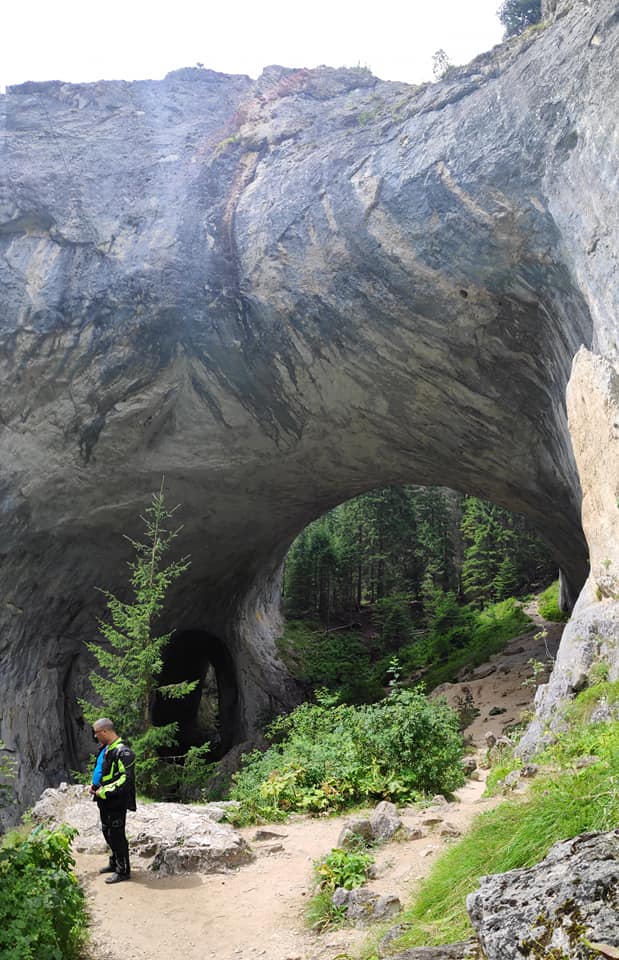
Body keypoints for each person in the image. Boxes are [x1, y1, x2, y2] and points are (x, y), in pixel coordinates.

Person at [89, 718, 136, 884]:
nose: (95, 737)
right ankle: (114, 862)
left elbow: (126, 779)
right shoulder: (106, 749)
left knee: (117, 834)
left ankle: (123, 870)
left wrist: (105, 791)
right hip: (104, 800)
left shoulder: (124, 752)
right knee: (107, 831)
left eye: (96, 733)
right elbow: (102, 770)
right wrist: (95, 786)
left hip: (117, 801)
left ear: (104, 732)